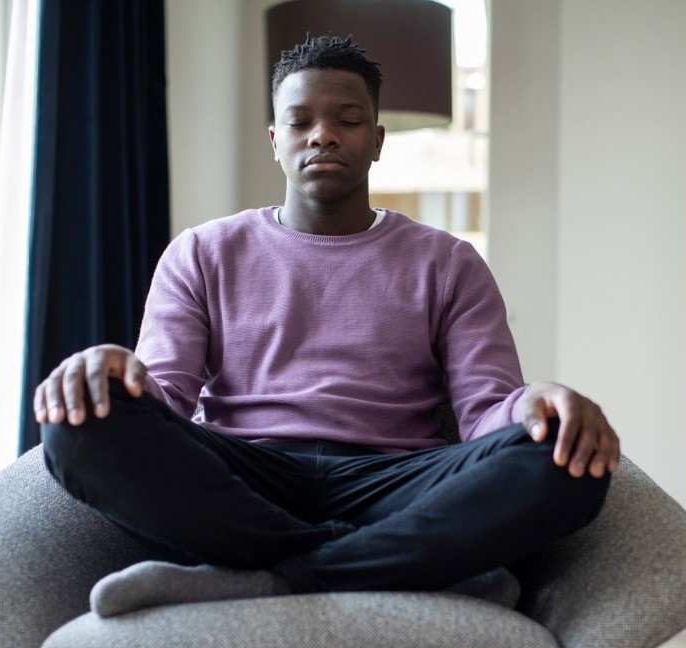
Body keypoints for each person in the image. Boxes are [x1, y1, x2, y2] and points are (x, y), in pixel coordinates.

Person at [34, 35, 620, 617]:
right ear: (274, 140)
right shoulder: (202, 253)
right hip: (245, 478)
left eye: (348, 119)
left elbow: (484, 414)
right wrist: (117, 371)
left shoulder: (449, 263)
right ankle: (403, 568)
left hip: (391, 481)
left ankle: (259, 577)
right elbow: (165, 398)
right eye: (299, 122)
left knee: (561, 463)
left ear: (377, 141)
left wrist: (532, 405)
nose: (323, 135)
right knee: (80, 428)